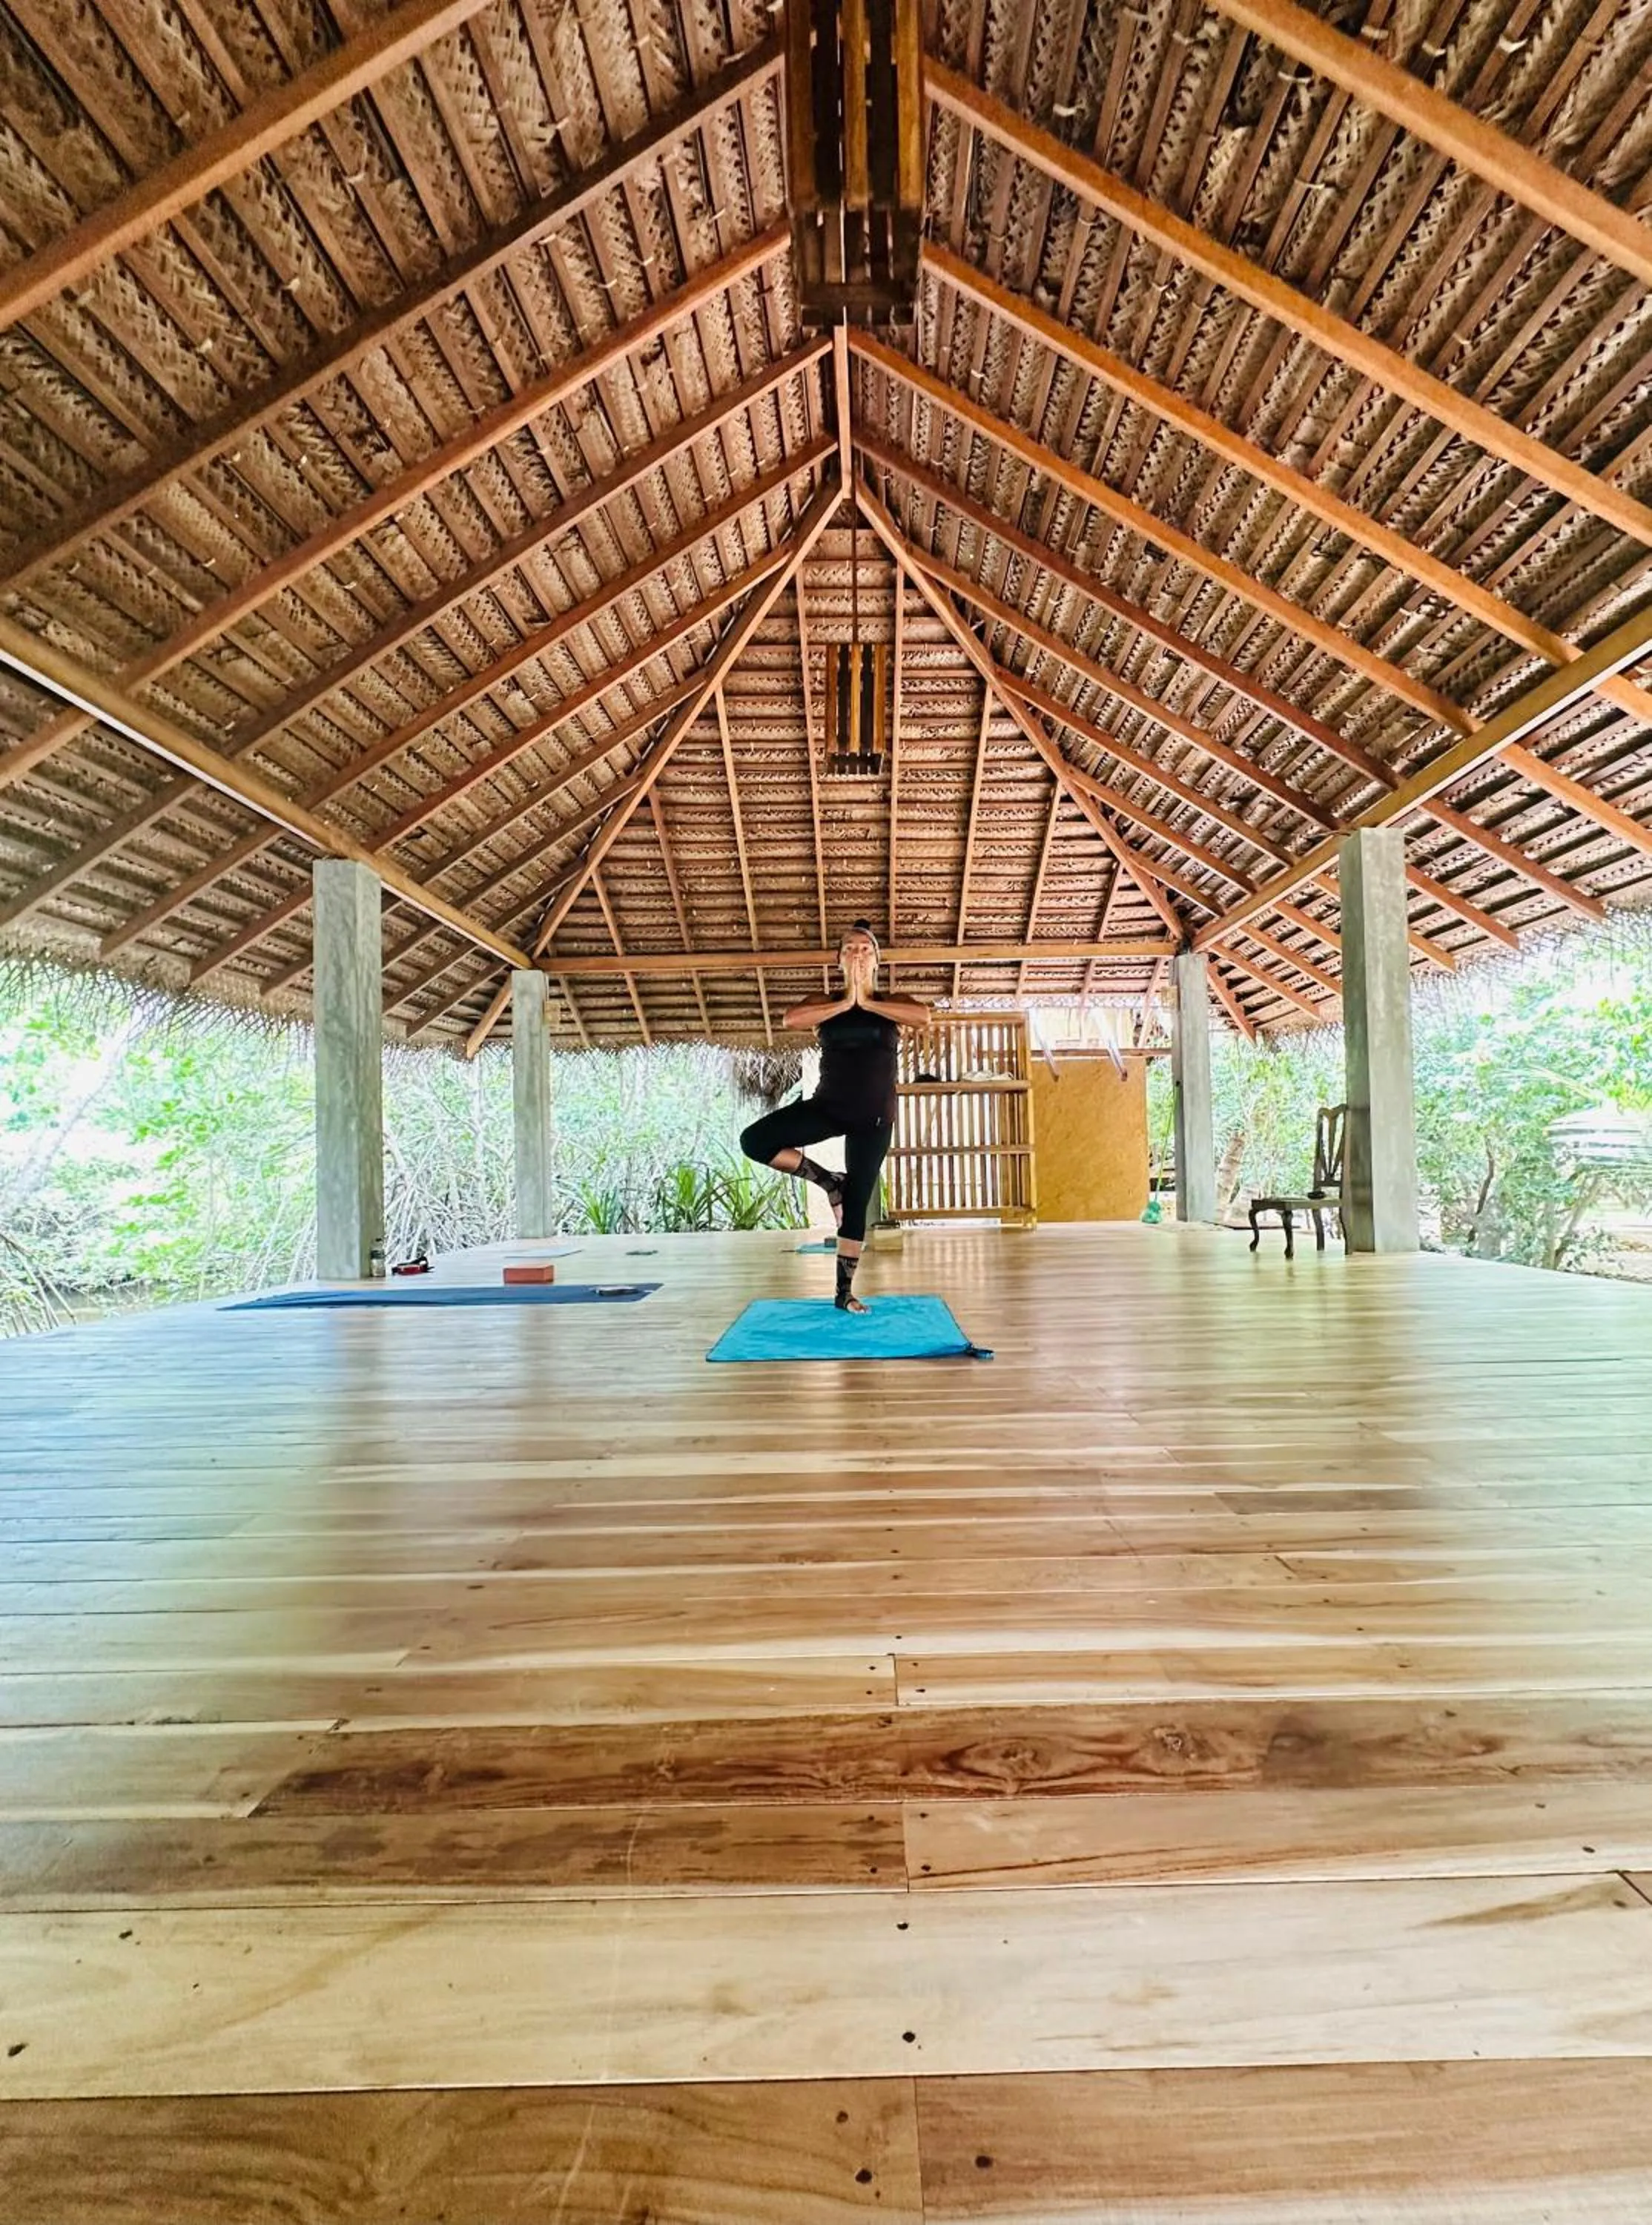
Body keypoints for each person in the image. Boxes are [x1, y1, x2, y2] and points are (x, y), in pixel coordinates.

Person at [739, 922, 931, 1311]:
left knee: (857, 1203)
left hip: (875, 1118)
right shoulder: (823, 1002)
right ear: (838, 960)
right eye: (849, 949)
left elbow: (922, 1017)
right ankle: (828, 1182)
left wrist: (866, 1001)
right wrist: (846, 1002)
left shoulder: (893, 1002)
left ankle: (844, 1295)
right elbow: (791, 1020)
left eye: (865, 949)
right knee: (755, 1140)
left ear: (877, 960)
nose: (857, 954)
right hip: (828, 1107)